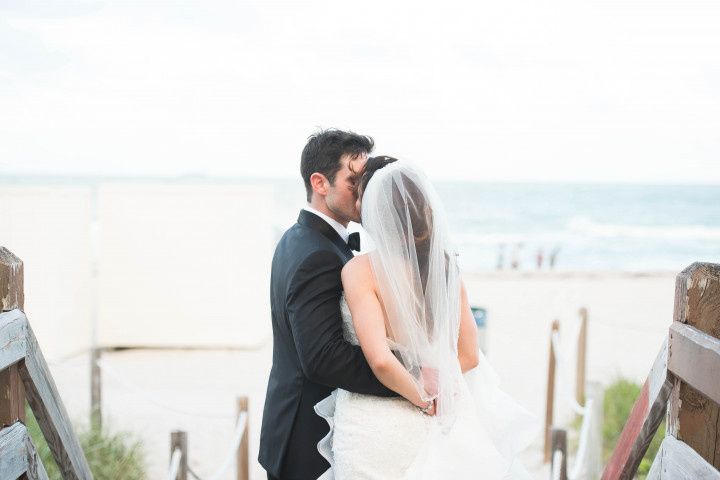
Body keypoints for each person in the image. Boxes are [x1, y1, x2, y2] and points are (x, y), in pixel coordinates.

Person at [315, 157, 540, 479]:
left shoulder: (360, 271)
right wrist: (434, 385)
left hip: (374, 428)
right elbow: (469, 356)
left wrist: (421, 398)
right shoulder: (446, 270)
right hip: (429, 426)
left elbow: (380, 361)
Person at [258, 130, 403, 480]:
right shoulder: (318, 255)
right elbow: (323, 358)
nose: (365, 191)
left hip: (296, 426)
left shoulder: (299, 238)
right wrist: (404, 376)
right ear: (320, 183)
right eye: (354, 180)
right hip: (306, 439)